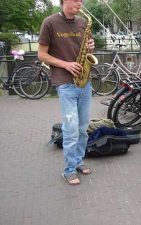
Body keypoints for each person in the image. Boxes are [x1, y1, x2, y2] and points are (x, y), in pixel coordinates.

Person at [38, 0, 94, 185]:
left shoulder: (83, 22)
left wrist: (90, 47)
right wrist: (66, 64)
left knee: (82, 128)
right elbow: (42, 55)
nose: (80, 3)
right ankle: (68, 170)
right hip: (65, 82)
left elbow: (86, 50)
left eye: (81, 0)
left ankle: (78, 161)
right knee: (70, 130)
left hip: (84, 82)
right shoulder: (50, 22)